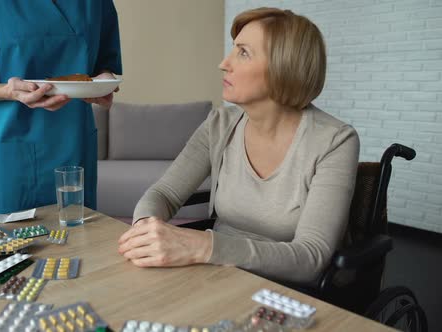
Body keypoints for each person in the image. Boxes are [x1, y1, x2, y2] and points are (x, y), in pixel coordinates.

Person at [117, 7, 359, 284]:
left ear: (284, 67)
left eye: (243, 52)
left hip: (287, 289)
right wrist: (145, 230)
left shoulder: (335, 140)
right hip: (215, 273)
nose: (224, 63)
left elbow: (310, 258)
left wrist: (203, 246)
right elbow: (164, 193)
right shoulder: (219, 123)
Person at [0, 1, 122, 213]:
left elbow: (104, 65)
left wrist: (102, 84)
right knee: (12, 242)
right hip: (11, 153)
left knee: (78, 238)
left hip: (74, 145)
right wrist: (8, 91)